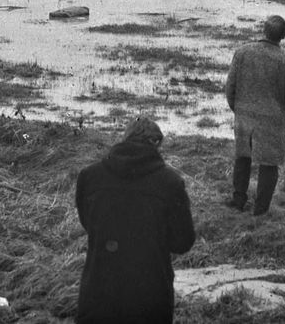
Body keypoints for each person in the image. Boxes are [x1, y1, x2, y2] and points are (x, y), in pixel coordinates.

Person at [75, 117, 195, 324]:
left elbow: (88, 223)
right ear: (156, 143)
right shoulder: (171, 183)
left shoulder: (89, 176)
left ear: (124, 139)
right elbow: (182, 242)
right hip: (150, 297)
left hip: (98, 293)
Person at [224, 14, 285, 215]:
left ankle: (238, 200)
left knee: (242, 158)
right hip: (272, 122)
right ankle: (260, 210)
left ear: (263, 31)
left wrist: (238, 109)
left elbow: (230, 87)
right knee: (269, 165)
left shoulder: (242, 53)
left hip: (244, 116)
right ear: (283, 36)